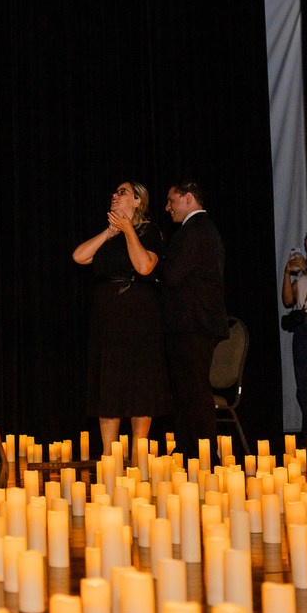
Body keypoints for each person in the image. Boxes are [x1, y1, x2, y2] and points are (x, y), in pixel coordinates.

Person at [72, 181, 170, 454]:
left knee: (139, 382)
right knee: (109, 383)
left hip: (137, 316)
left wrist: (128, 230)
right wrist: (109, 231)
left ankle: (139, 453)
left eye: (122, 192)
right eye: (114, 192)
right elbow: (79, 256)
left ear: (138, 201)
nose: (115, 195)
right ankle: (109, 454)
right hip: (108, 318)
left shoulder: (148, 231)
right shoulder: (111, 235)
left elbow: (144, 266)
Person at [160, 179, 229, 458]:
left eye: (171, 201)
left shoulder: (193, 230)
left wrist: (156, 265)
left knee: (194, 392)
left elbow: (172, 275)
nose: (168, 208)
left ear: (188, 198)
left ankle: (201, 455)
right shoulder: (204, 229)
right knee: (189, 391)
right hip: (196, 323)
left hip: (192, 324)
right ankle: (192, 451)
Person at [281, 233, 307, 438]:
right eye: (305, 247)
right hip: (302, 329)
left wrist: (306, 270)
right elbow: (287, 301)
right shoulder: (301, 275)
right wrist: (287, 273)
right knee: (303, 386)